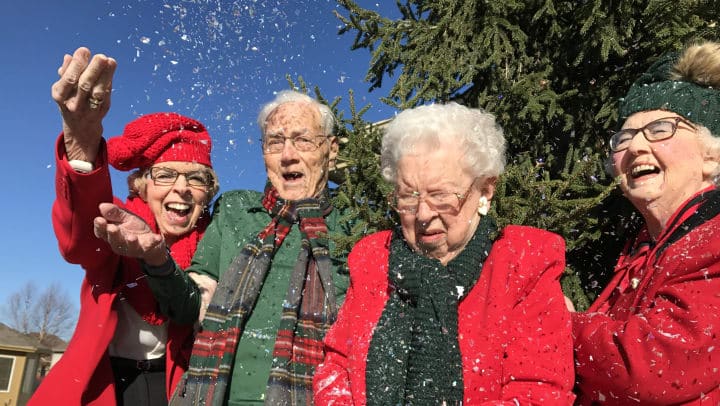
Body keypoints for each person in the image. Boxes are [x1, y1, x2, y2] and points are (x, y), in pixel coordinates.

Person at [93, 90, 350, 405]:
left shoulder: (355, 225)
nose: (287, 155)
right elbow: (187, 308)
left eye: (303, 141)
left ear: (331, 150)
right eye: (274, 142)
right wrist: (156, 256)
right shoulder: (235, 211)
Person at [313, 103, 576, 405]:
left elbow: (539, 394)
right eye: (408, 197)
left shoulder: (522, 265)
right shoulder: (374, 261)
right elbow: (335, 368)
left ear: (485, 190)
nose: (423, 214)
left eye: (441, 196)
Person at [30, 47, 219, 406]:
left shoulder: (217, 242)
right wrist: (81, 152)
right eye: (165, 175)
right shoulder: (120, 222)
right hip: (107, 385)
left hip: (182, 388)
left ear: (208, 192)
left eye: (196, 178)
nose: (181, 188)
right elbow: (82, 239)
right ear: (141, 185)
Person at [572, 41, 720, 404]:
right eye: (625, 137)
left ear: (710, 154)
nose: (636, 146)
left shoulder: (714, 239)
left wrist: (559, 322)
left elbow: (653, 364)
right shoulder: (641, 250)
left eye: (660, 129)